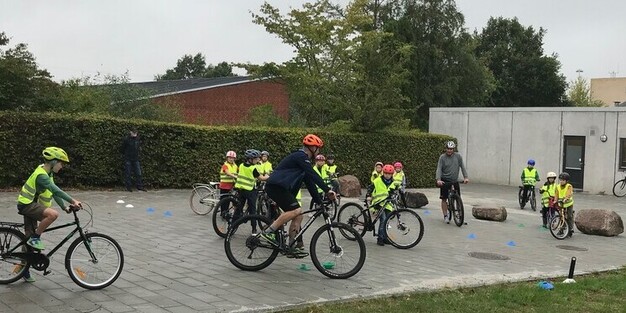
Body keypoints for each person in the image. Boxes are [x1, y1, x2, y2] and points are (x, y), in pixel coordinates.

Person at [260, 134, 336, 257]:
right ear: (312, 147)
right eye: (318, 148)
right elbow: (313, 174)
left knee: (299, 215)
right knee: (296, 210)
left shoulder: (303, 162)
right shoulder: (300, 156)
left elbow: (310, 183)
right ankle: (268, 232)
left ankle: (291, 246)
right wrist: (327, 190)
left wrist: (319, 202)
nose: (319, 151)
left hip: (281, 188)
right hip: (275, 186)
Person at [16, 147, 81, 282]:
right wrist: (73, 200)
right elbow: (56, 190)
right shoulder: (41, 175)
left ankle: (24, 269)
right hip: (27, 205)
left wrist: (64, 207)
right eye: (61, 163)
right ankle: (36, 238)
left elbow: (52, 192)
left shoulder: (47, 172)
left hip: (30, 204)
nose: (62, 167)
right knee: (52, 215)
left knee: (27, 238)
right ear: (53, 162)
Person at [233, 149, 269, 231]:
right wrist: (268, 177)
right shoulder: (253, 169)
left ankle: (232, 226)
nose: (257, 160)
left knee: (238, 208)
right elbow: (261, 178)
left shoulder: (241, 165)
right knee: (253, 211)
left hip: (241, 189)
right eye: (256, 159)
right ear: (250, 159)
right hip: (250, 191)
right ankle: (254, 229)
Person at [436, 141, 469, 224]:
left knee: (458, 198)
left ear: (453, 149)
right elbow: (439, 168)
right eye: (448, 149)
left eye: (451, 149)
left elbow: (462, 167)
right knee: (444, 198)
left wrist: (466, 177)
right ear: (445, 149)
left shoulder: (458, 157)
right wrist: (438, 179)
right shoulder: (442, 157)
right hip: (445, 181)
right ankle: (445, 215)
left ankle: (460, 215)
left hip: (454, 180)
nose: (449, 151)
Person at [366, 164, 399, 246]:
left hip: (387, 204)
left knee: (387, 220)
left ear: (392, 174)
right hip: (378, 203)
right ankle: (380, 238)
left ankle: (385, 237)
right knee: (383, 219)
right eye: (386, 173)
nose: (387, 175)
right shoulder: (377, 181)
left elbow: (396, 191)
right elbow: (370, 188)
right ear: (383, 173)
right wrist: (368, 195)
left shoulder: (393, 182)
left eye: (389, 174)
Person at [554, 172, 574, 237]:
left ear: (566, 181)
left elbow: (569, 193)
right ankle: (561, 230)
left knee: (569, 216)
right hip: (561, 204)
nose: (561, 181)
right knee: (561, 216)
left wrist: (566, 198)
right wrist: (555, 200)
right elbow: (556, 194)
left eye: (563, 180)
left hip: (568, 204)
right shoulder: (557, 187)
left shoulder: (569, 186)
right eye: (560, 180)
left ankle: (571, 229)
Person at [219, 151, 238, 216]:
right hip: (224, 186)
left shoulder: (235, 166)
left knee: (228, 200)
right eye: (230, 158)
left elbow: (238, 172)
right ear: (227, 158)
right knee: (224, 200)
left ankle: (226, 212)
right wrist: (235, 176)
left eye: (233, 158)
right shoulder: (225, 165)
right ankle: (223, 213)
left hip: (231, 186)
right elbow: (227, 172)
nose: (231, 159)